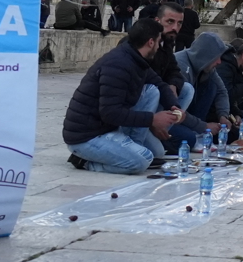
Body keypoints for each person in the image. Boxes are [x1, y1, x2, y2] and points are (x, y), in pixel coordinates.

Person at [62, 18, 180, 173]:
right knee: (143, 160)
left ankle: (132, 145)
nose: (159, 47)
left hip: (105, 127)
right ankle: (84, 162)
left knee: (151, 91)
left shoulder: (136, 59)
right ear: (151, 42)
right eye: (158, 42)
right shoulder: (119, 65)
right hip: (86, 136)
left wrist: (174, 106)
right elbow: (110, 113)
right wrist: (153, 119)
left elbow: (159, 84)